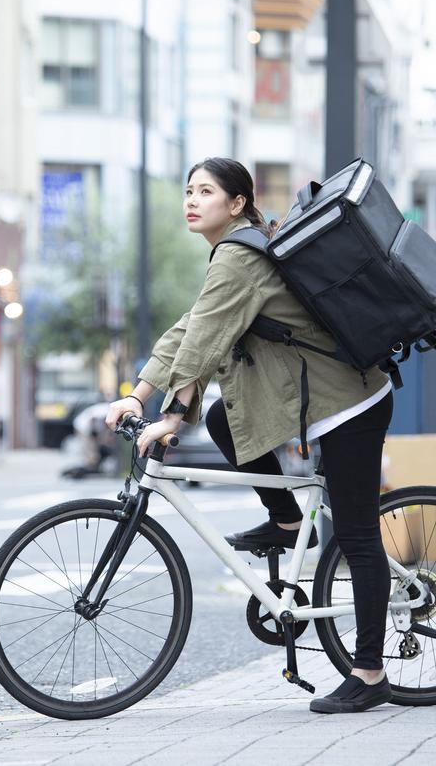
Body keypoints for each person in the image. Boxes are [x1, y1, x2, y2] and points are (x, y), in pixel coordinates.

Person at [104, 157, 396, 715]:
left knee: (357, 537)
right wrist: (137, 396)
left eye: (206, 191)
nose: (191, 200)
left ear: (237, 203)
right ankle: (288, 520)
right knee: (223, 421)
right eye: (188, 190)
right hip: (320, 400)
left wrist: (171, 415)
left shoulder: (239, 255)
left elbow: (205, 340)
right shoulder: (236, 252)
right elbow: (189, 329)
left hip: (349, 405)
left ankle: (370, 672)